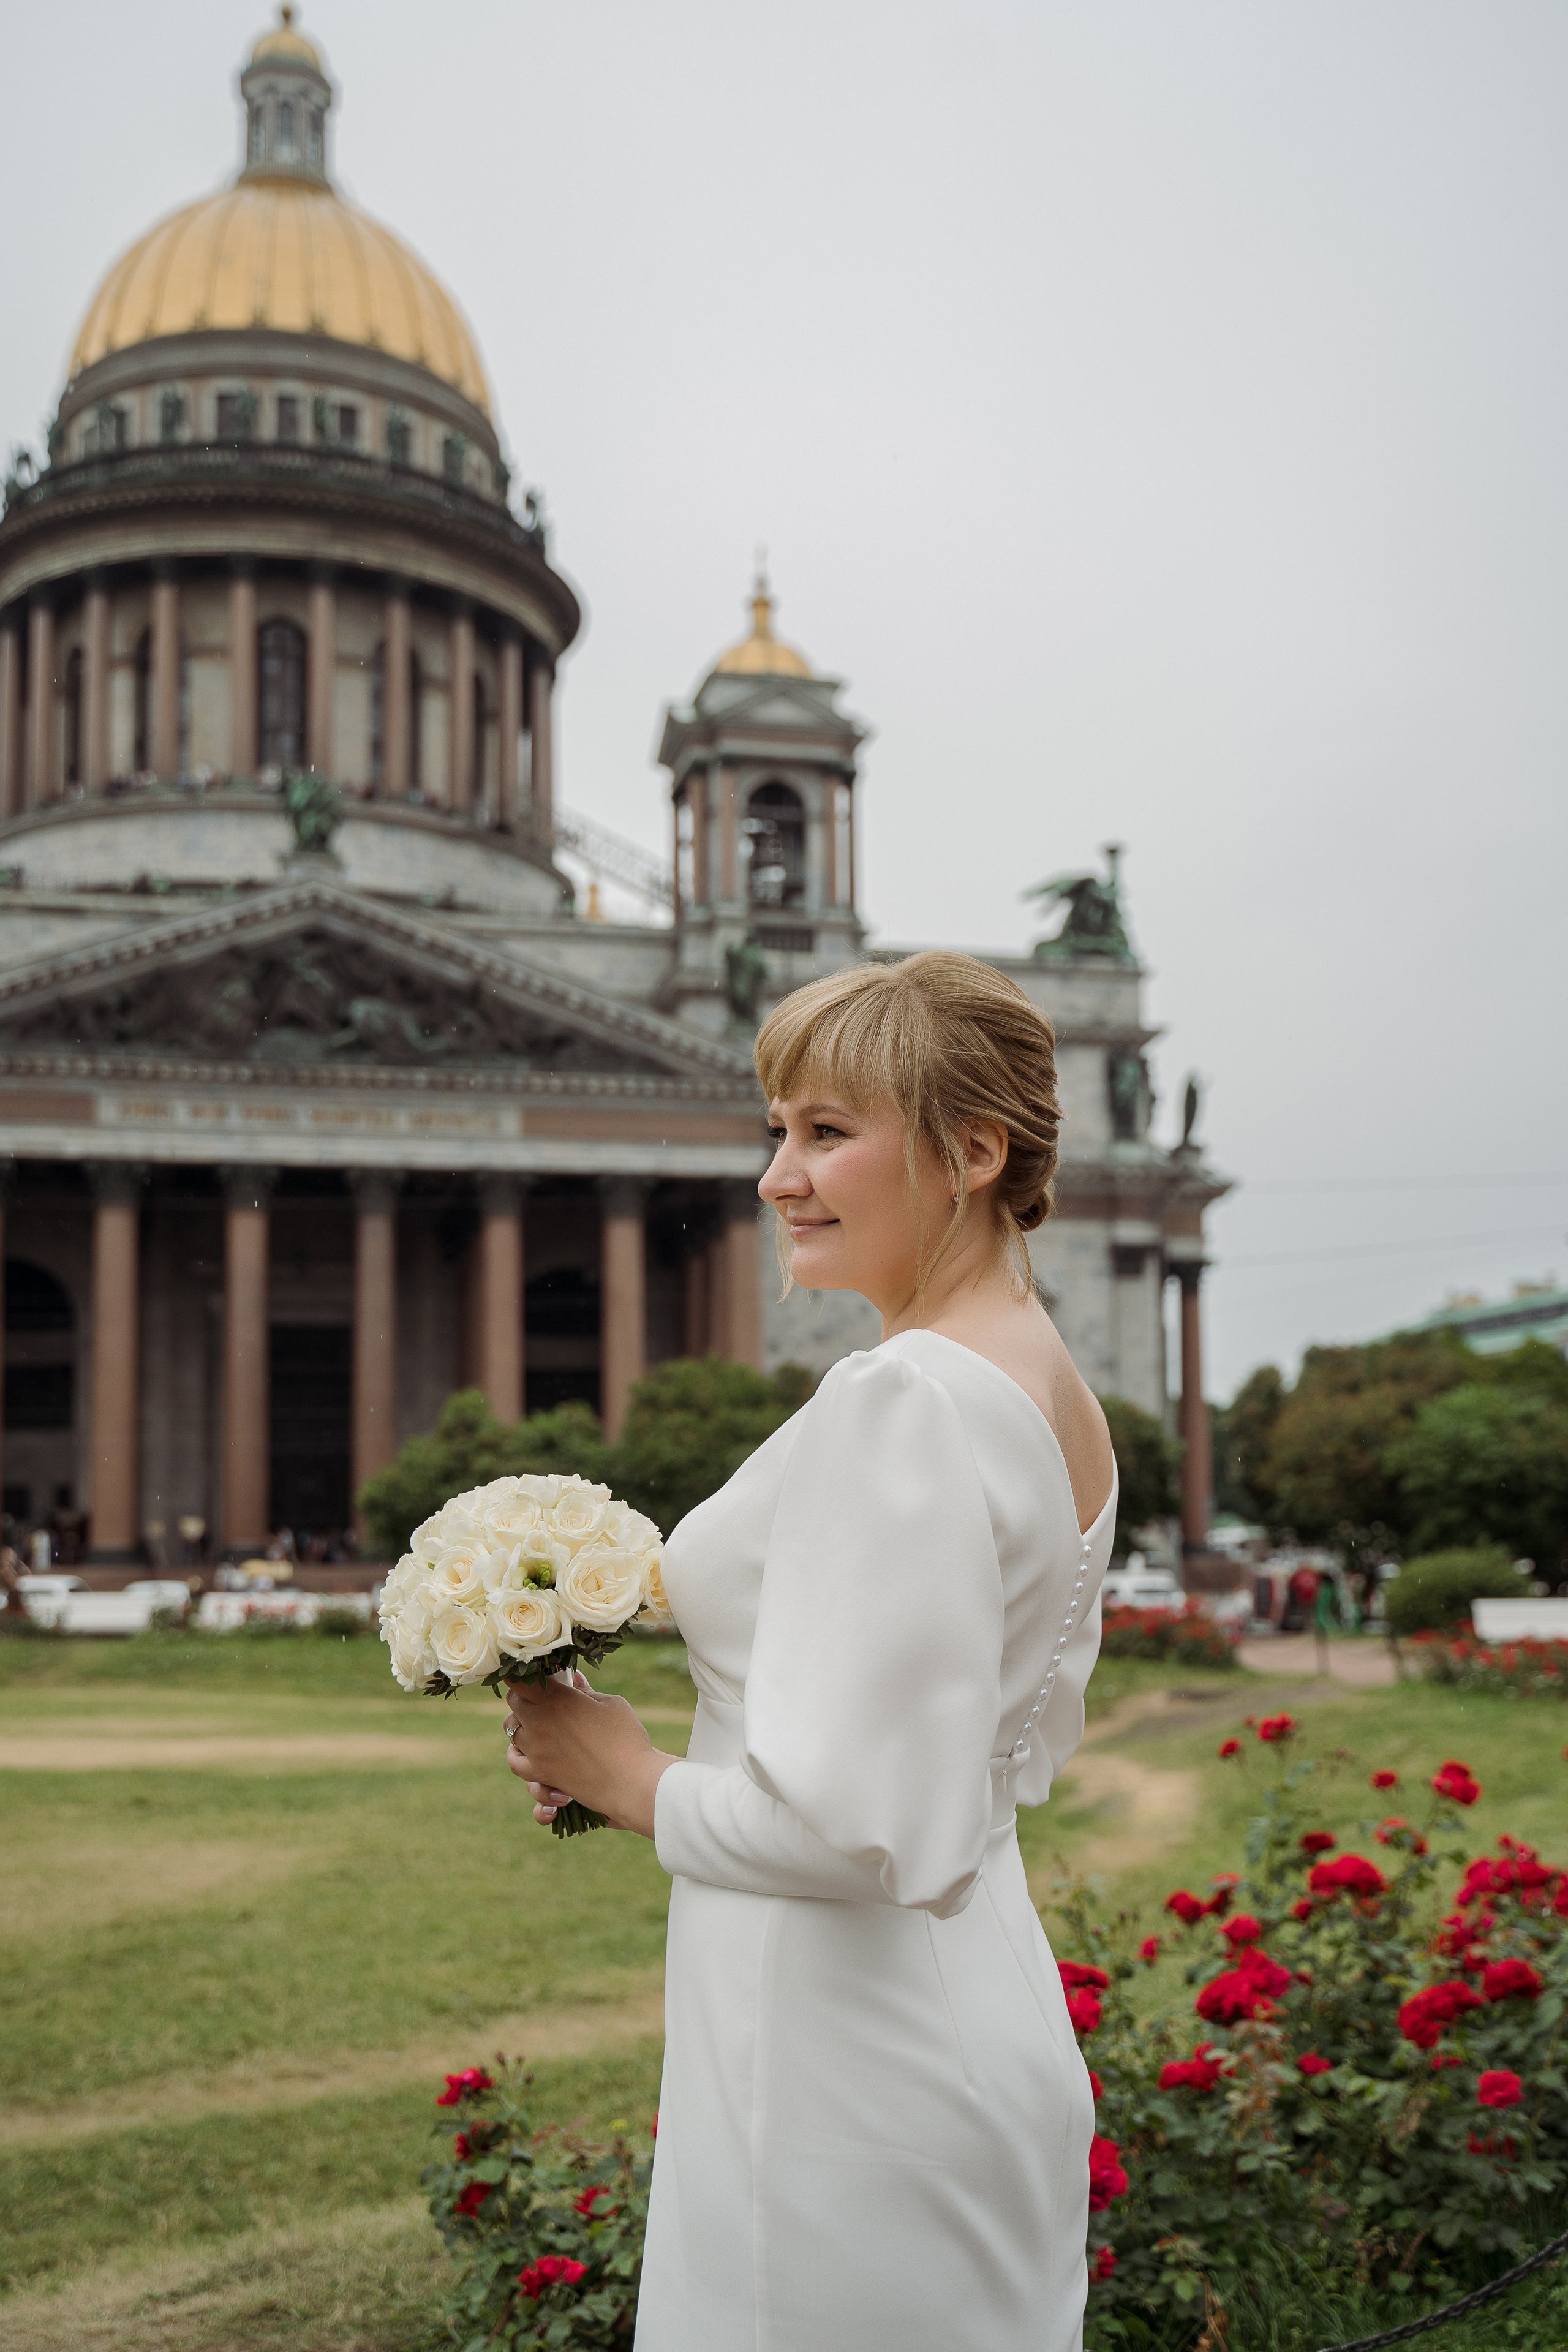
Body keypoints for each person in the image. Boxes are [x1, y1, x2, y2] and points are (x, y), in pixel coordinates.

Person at [507, 951, 1118, 2352]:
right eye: (775, 1130)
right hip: (953, 2009)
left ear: (972, 1151)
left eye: (827, 1133)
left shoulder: (902, 1396)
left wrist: (629, 1773)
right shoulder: (1036, 1377)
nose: (777, 1177)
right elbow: (950, 1768)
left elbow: (862, 1837)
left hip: (842, 2068)